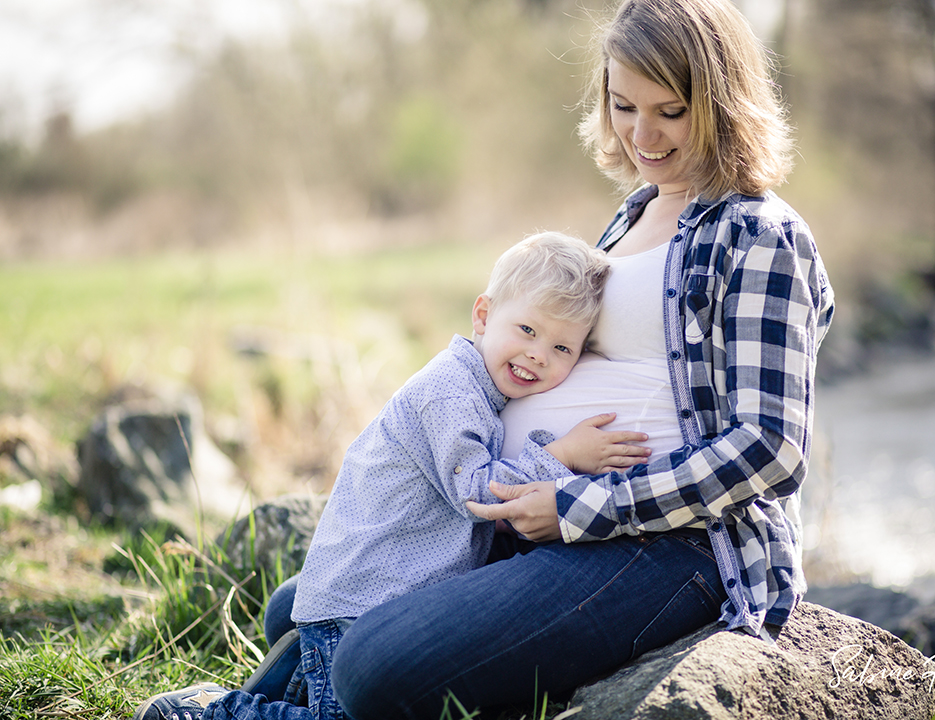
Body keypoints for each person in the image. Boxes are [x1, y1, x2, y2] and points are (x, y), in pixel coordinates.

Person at [137, 0, 836, 718]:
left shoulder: (761, 235)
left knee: (373, 666)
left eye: (671, 111)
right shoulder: (634, 212)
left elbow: (770, 451)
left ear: (721, 104)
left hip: (672, 548)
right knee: (299, 606)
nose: (642, 134)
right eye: (624, 105)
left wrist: (575, 506)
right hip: (533, 511)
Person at [131, 231, 650, 720]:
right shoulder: (450, 394)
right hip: (360, 599)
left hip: (379, 592)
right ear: (483, 315)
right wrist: (562, 453)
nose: (538, 354)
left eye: (563, 348)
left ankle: (285, 683)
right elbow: (478, 493)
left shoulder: (480, 390)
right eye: (528, 330)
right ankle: (207, 711)